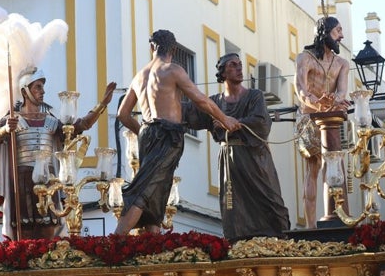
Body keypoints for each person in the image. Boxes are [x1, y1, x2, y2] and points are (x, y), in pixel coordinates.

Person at [115, 29, 240, 235]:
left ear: (152, 47)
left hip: (147, 134)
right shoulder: (172, 70)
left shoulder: (139, 76)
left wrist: (142, 131)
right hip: (168, 136)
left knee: (157, 192)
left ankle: (152, 244)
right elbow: (200, 99)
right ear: (173, 48)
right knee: (146, 190)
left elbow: (123, 114)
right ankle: (115, 241)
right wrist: (224, 118)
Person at [0, 67, 116, 240]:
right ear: (25, 91)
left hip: (49, 179)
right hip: (22, 179)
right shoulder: (13, 118)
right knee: (24, 229)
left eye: (42, 87)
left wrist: (102, 105)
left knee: (48, 227)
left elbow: (79, 127)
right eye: (37, 87)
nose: (42, 91)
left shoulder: (50, 121)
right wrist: (4, 130)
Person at [183, 53, 290, 241]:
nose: (240, 68)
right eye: (233, 65)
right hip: (230, 162)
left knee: (273, 203)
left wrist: (229, 123)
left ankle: (280, 241)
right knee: (234, 210)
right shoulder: (214, 103)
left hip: (256, 159)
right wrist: (165, 95)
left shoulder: (254, 96)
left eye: (240, 64)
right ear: (223, 72)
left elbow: (261, 123)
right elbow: (189, 113)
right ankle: (239, 246)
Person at [294, 16, 350, 229]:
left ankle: (336, 217)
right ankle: (311, 227)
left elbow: (342, 92)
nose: (341, 36)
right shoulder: (305, 58)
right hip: (309, 119)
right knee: (313, 167)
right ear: (325, 32)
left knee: (334, 165)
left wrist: (333, 101)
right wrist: (317, 103)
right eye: (338, 31)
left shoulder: (342, 64)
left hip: (331, 122)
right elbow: (301, 90)